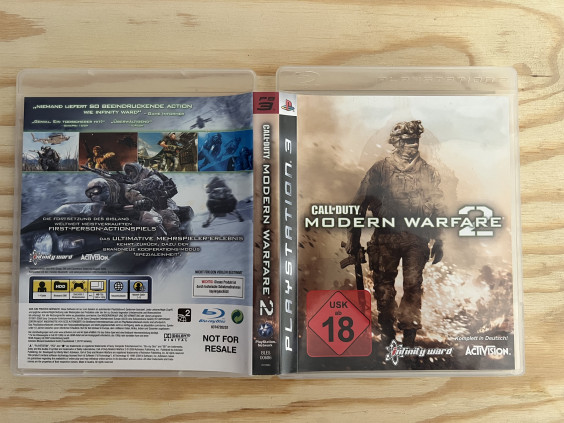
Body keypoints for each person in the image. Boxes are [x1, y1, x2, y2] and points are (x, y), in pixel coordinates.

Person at [346, 120, 445, 347]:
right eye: (408, 141)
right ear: (397, 143)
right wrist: (353, 238)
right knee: (384, 287)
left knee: (413, 285)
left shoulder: (429, 172)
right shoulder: (380, 170)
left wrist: (440, 240)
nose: (414, 145)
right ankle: (387, 330)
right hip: (385, 237)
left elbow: (438, 208)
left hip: (416, 238)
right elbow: (358, 205)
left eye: (416, 140)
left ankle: (409, 333)